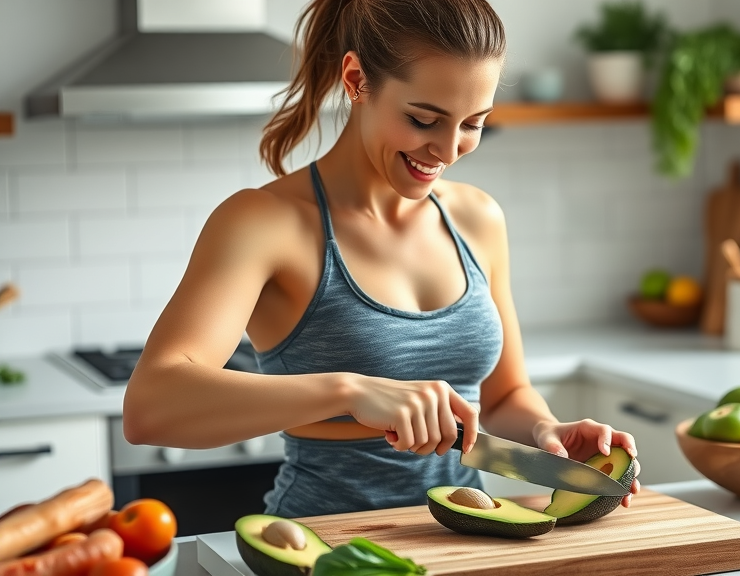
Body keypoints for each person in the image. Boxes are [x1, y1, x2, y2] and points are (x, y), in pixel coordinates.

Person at [123, 0, 640, 517]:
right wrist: (348, 391)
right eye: (423, 119)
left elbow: (502, 397)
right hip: (323, 548)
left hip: (461, 540)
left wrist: (545, 433)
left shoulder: (478, 218)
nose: (448, 149)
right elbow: (150, 407)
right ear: (356, 80)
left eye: (473, 124)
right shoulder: (263, 223)